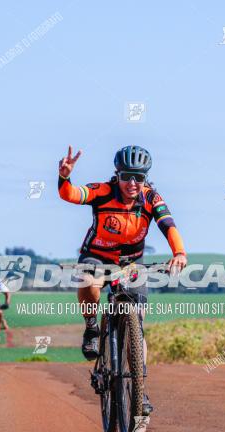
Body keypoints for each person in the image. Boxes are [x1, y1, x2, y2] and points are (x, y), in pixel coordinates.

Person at [57, 144, 187, 414]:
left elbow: (169, 226)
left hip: (131, 263)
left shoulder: (151, 198)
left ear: (145, 178)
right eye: (127, 176)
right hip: (96, 255)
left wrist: (179, 253)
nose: (132, 183)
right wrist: (65, 176)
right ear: (117, 175)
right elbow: (70, 194)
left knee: (136, 324)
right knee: (89, 281)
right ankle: (92, 327)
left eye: (139, 177)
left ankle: (140, 388)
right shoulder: (103, 191)